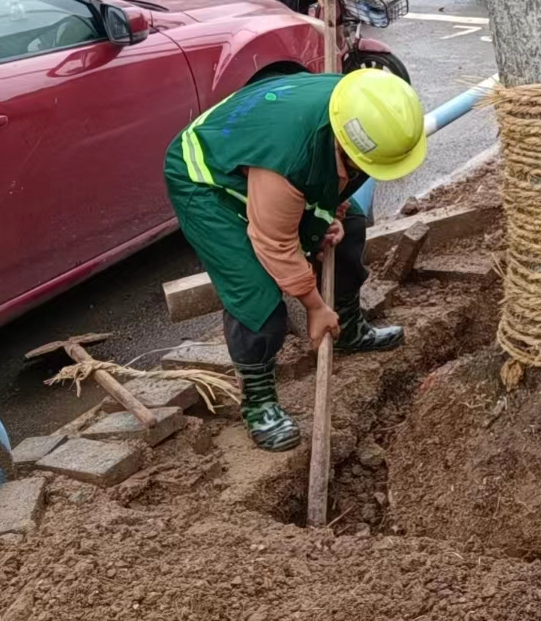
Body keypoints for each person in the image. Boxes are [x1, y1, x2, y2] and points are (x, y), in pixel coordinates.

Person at [164, 69, 425, 451]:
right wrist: (314, 306)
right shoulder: (288, 156)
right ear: (343, 144)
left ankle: (349, 328)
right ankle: (259, 402)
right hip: (207, 178)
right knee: (255, 288)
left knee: (350, 225)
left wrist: (332, 213)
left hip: (272, 163)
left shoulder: (357, 105)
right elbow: (275, 243)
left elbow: (327, 182)